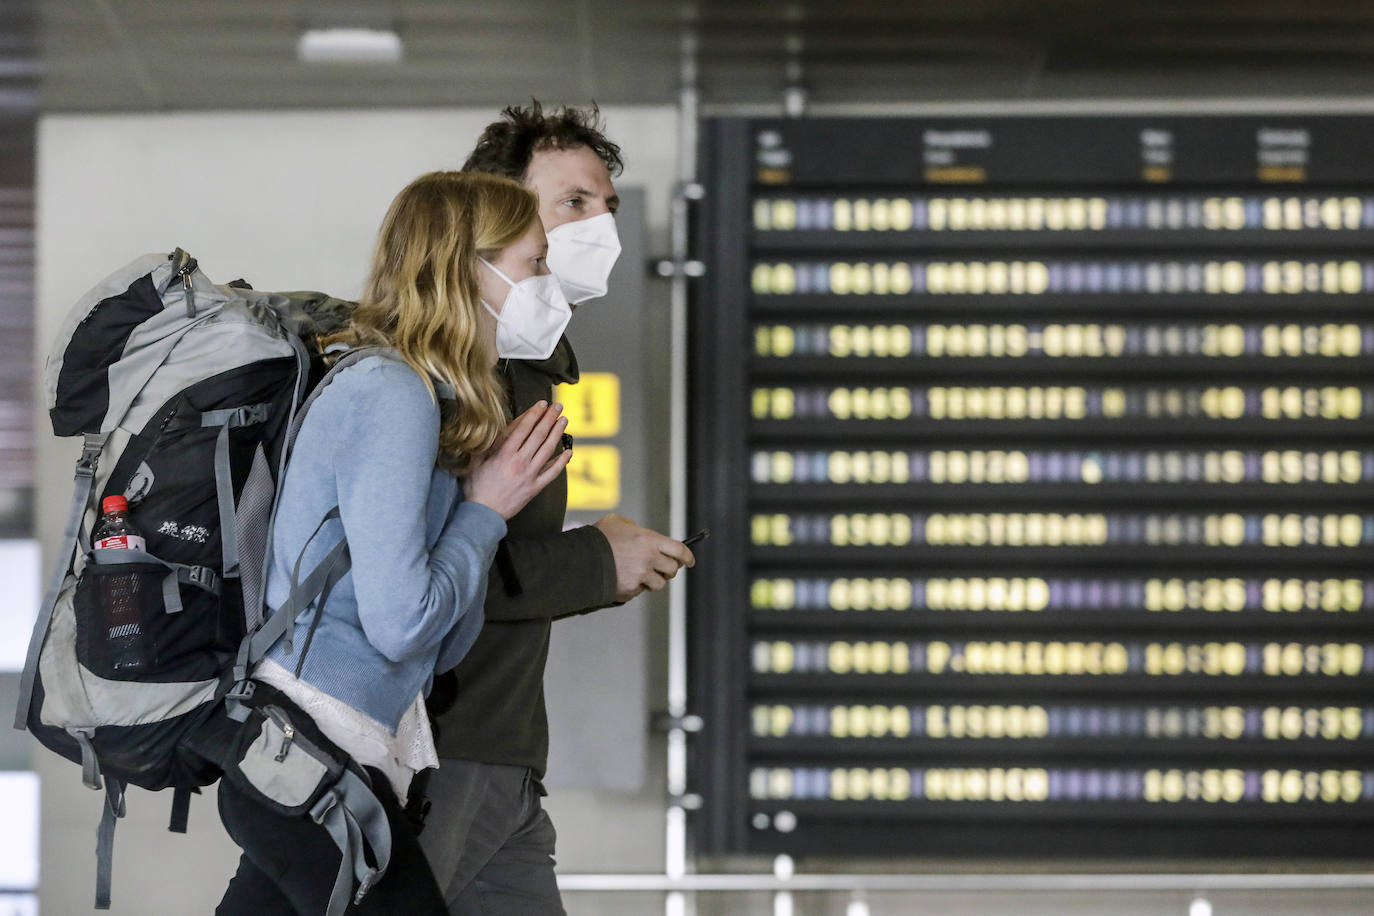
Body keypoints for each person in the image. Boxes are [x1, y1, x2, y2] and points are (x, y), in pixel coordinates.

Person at [215, 170, 572, 915]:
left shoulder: (428, 404)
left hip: (347, 757)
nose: (548, 281)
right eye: (534, 262)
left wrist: (475, 509)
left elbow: (433, 648)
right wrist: (486, 512)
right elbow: (403, 623)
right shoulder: (392, 394)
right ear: (466, 268)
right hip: (317, 760)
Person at [417, 103, 695, 914]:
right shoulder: (451, 378)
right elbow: (425, 574)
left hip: (504, 754)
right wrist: (598, 560)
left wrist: (597, 548)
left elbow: (488, 543)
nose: (598, 225)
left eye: (606, 205)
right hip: (442, 748)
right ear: (495, 214)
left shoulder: (529, 368)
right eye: (572, 204)